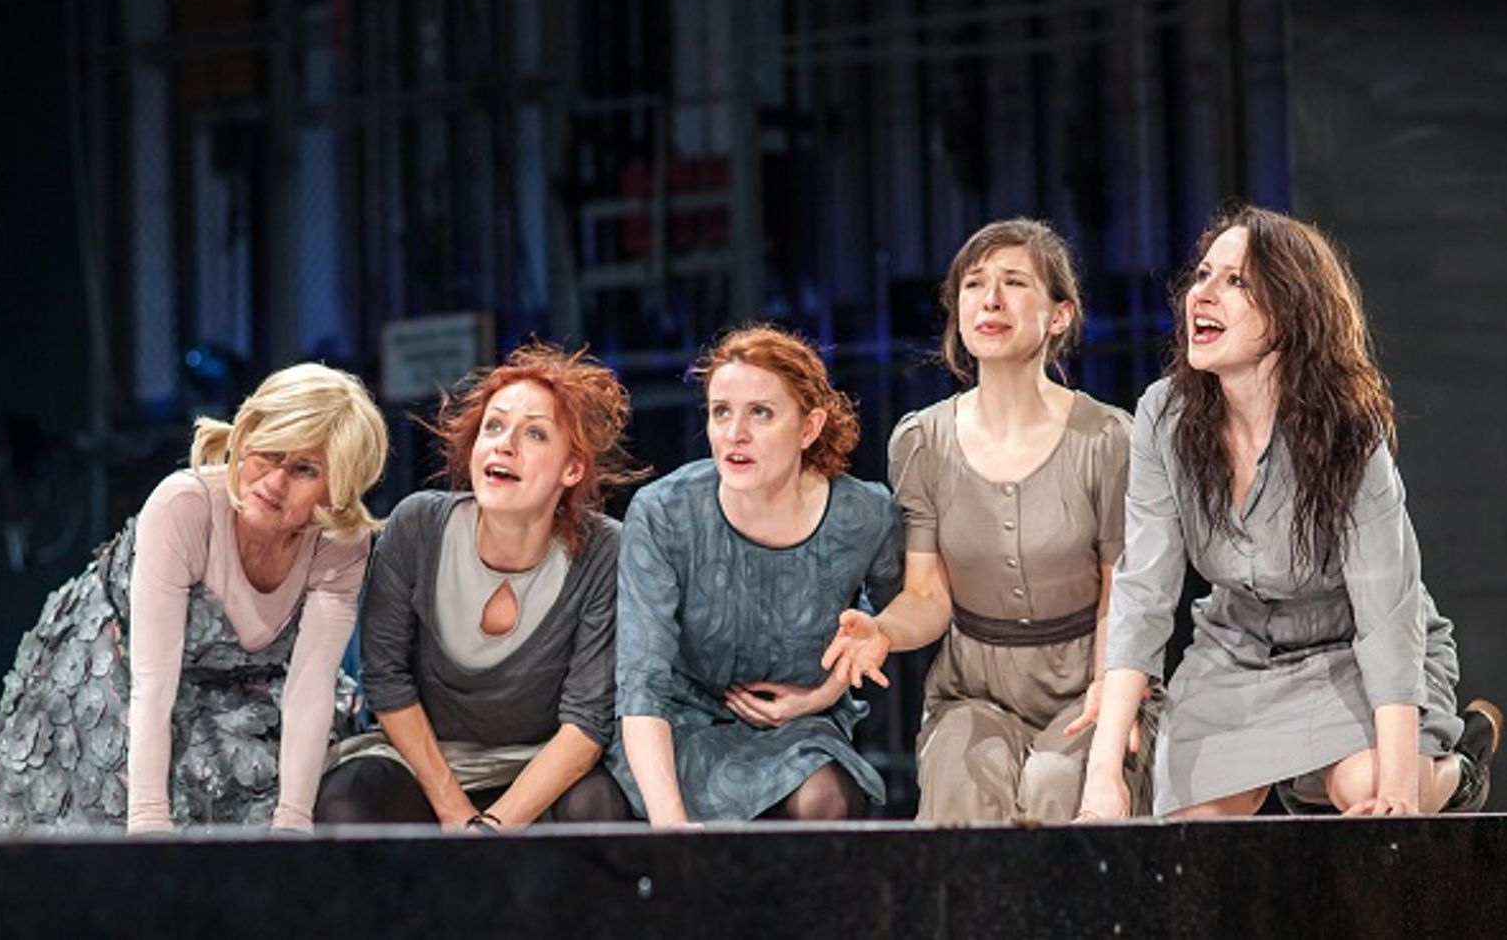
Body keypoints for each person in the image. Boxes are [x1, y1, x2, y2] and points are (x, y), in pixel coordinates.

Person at [1078, 205, 1501, 819]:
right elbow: (1143, 592)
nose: (1203, 294)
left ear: (1287, 313)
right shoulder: (1163, 417)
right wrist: (1103, 773)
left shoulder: (1347, 430)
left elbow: (1386, 615)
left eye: (1235, 281)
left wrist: (1401, 795)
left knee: (1367, 789)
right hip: (1238, 650)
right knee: (1194, 828)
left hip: (1351, 647)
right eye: (1203, 275)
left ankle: (1457, 770)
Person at [821, 218, 1154, 822]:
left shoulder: (1108, 438)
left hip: (1087, 677)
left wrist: (1111, 688)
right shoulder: (922, 441)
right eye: (974, 284)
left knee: (1057, 784)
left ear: (1059, 316)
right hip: (974, 688)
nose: (991, 299)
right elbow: (928, 596)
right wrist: (883, 631)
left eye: (1014, 282)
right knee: (961, 773)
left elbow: (1120, 595)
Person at [0, 363, 389, 834]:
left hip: (242, 687)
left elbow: (311, 684)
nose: (274, 483)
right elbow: (152, 685)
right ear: (246, 436)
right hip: (119, 674)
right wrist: (149, 825)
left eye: (305, 469)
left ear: (339, 491)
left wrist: (292, 825)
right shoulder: (184, 507)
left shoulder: (341, 544)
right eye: (268, 452)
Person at [314, 343, 644, 830]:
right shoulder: (417, 526)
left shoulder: (605, 551)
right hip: (425, 764)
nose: (503, 445)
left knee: (596, 805)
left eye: (534, 433)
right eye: (494, 427)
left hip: (540, 767)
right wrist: (455, 810)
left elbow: (586, 723)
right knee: (347, 801)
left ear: (572, 469)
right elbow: (385, 680)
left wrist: (490, 828)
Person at [608, 325, 903, 825]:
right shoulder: (665, 513)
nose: (734, 433)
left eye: (760, 413)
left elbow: (889, 619)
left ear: (809, 428)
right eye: (721, 411)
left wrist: (824, 694)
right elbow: (642, 682)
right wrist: (671, 825)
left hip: (798, 727)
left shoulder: (865, 515)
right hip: (678, 721)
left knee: (826, 796)